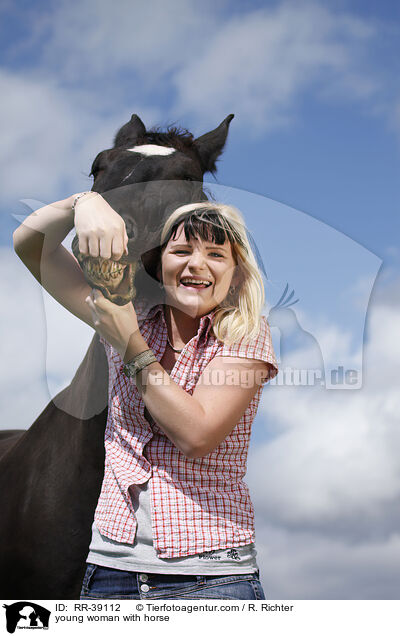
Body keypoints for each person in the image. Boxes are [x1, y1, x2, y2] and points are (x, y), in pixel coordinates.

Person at [13, 192, 278, 600]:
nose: (196, 264)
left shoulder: (245, 335)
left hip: (211, 579)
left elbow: (197, 433)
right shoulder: (126, 316)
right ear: (160, 265)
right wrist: (83, 203)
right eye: (182, 250)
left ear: (237, 275)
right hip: (108, 574)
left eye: (215, 254)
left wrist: (130, 346)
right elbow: (31, 246)